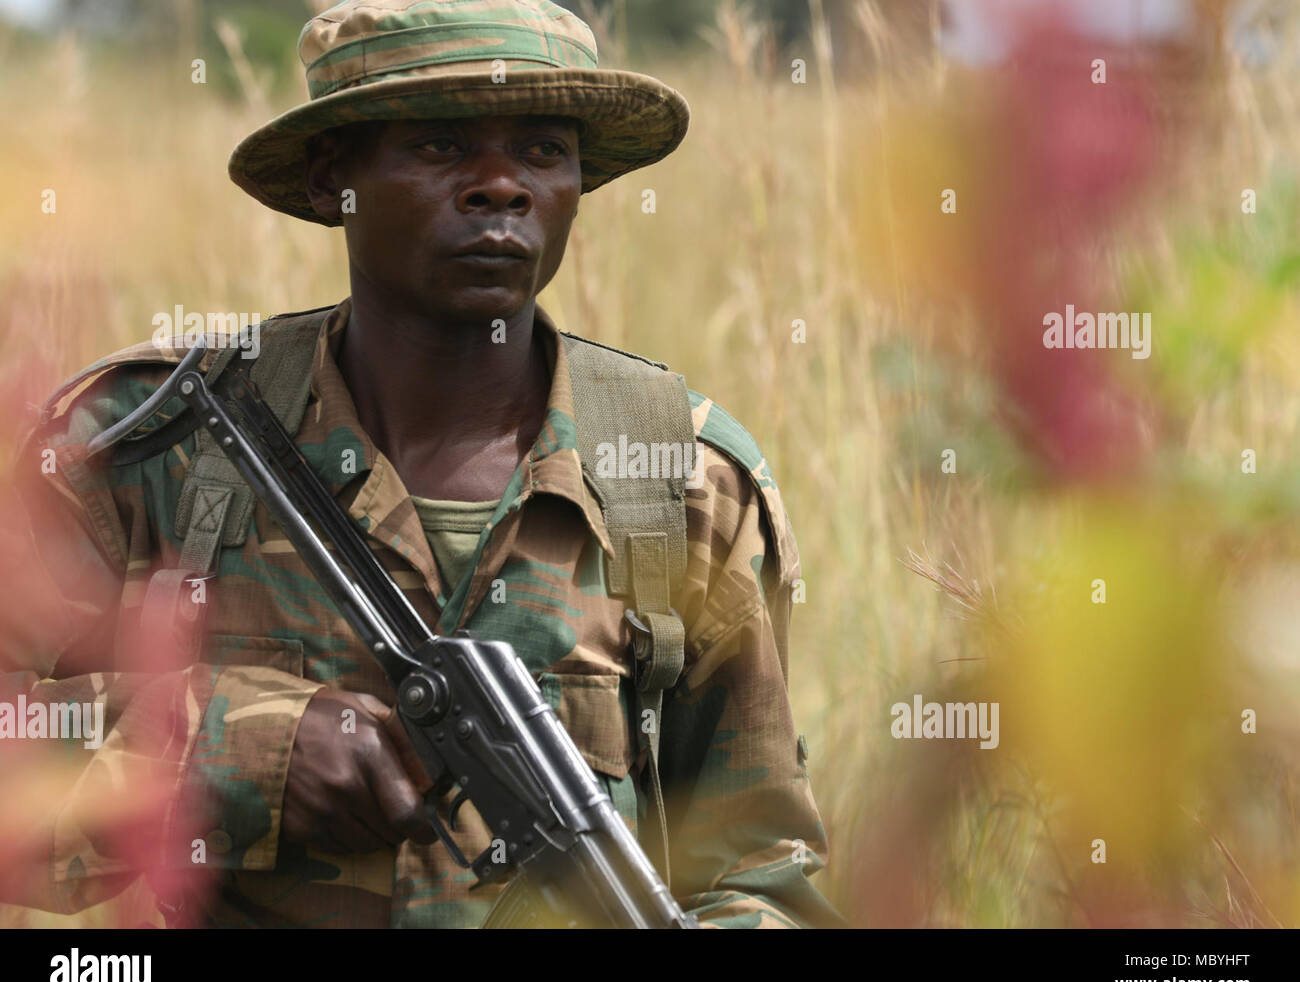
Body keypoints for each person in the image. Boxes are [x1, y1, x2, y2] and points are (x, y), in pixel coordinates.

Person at [1, 0, 839, 929]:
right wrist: (236, 753)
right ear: (333, 179)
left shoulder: (678, 483)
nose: (501, 186)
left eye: (541, 150)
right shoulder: (157, 446)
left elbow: (763, 869)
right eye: (442, 148)